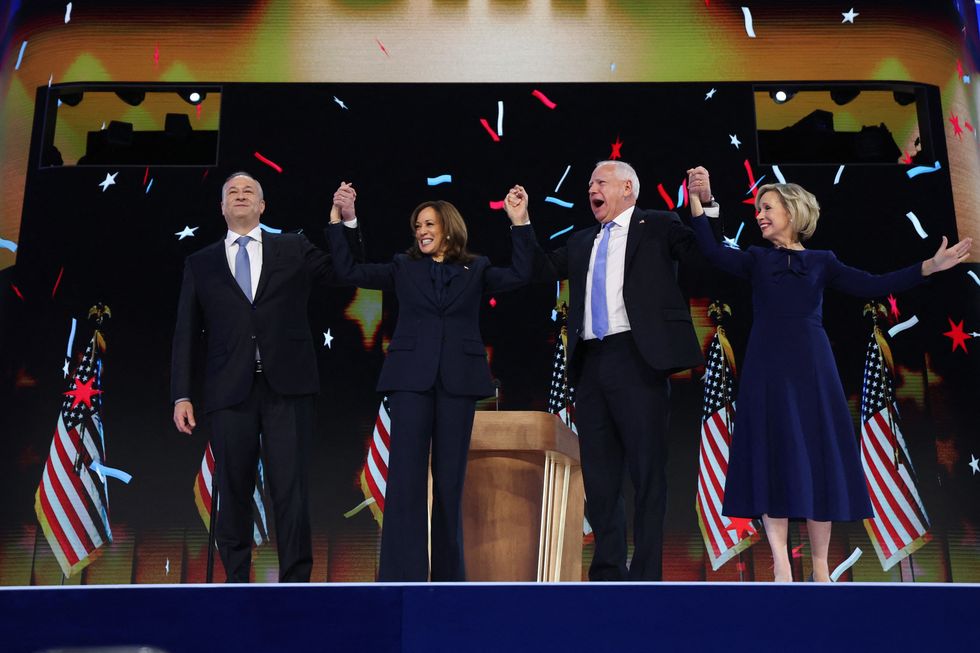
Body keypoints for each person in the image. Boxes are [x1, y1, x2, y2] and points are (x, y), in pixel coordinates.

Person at [687, 170, 972, 581]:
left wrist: (929, 266)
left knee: (817, 456)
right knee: (772, 455)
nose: (760, 216)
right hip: (766, 369)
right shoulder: (755, 258)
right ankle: (782, 563)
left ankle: (820, 566)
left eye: (767, 208)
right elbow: (712, 251)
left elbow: (875, 283)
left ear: (792, 211)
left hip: (813, 369)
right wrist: (703, 202)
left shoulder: (823, 262)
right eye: (758, 210)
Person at [506, 160, 713, 581]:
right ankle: (608, 571)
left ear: (627, 189)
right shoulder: (583, 241)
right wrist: (522, 222)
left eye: (600, 182)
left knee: (647, 471)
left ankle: (646, 574)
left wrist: (704, 204)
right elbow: (539, 270)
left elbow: (703, 258)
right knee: (599, 476)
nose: (591, 189)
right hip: (591, 363)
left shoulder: (658, 224)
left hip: (639, 358)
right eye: (588, 184)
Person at [327, 182, 535, 581]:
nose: (421, 230)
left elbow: (523, 273)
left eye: (429, 223)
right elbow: (349, 270)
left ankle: (447, 579)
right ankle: (400, 576)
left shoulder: (477, 268)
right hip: (410, 382)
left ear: (449, 229)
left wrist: (519, 221)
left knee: (450, 481)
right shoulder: (403, 267)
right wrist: (344, 220)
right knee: (404, 479)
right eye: (417, 225)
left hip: (458, 383)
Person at [171, 171, 362, 582]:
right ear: (222, 207)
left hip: (288, 388)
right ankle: (236, 581)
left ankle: (295, 583)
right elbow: (186, 332)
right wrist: (181, 394)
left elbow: (345, 272)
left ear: (262, 206)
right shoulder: (200, 262)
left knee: (290, 491)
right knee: (233, 491)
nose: (240, 196)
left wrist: (344, 222)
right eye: (232, 192)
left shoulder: (291, 247)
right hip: (229, 391)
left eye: (249, 192)